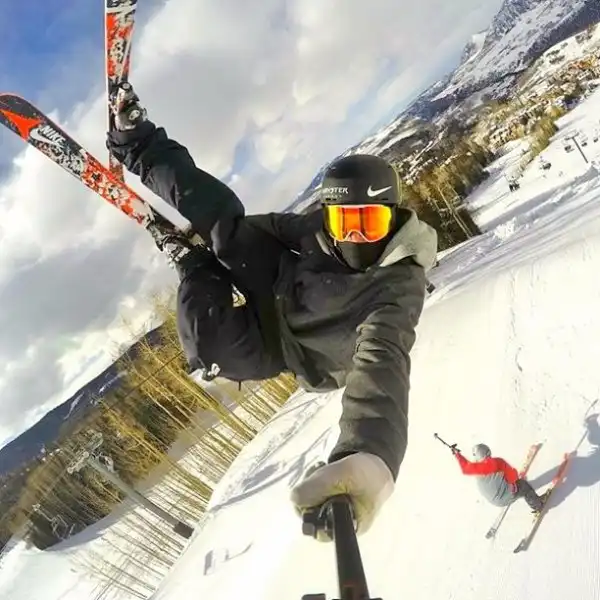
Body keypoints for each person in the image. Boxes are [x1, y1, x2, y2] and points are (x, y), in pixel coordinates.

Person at [106, 82, 438, 538]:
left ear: (392, 216)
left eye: (371, 223)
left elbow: (383, 366)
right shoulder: (319, 230)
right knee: (223, 223)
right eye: (346, 223)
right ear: (330, 216)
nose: (356, 237)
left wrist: (368, 459)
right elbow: (275, 229)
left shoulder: (398, 288)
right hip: (281, 286)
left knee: (208, 350)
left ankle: (190, 263)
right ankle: (139, 143)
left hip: (288, 351)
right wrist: (225, 237)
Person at [452, 443, 547, 514]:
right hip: (505, 497)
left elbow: (465, 466)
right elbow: (513, 476)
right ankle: (538, 505)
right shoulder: (497, 462)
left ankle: (506, 492)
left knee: (502, 480)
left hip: (493, 501)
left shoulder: (474, 468)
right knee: (524, 485)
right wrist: (515, 483)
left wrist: (457, 454)